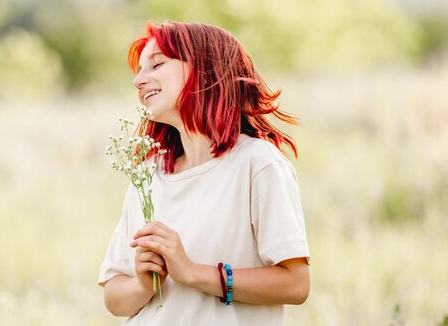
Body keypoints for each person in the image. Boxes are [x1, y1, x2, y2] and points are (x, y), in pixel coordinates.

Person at [98, 21, 310, 325]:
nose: (138, 81)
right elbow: (114, 298)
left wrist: (193, 273)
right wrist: (143, 284)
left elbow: (296, 284)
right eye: (138, 71)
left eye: (156, 64)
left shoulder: (257, 164)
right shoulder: (147, 175)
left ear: (204, 68)